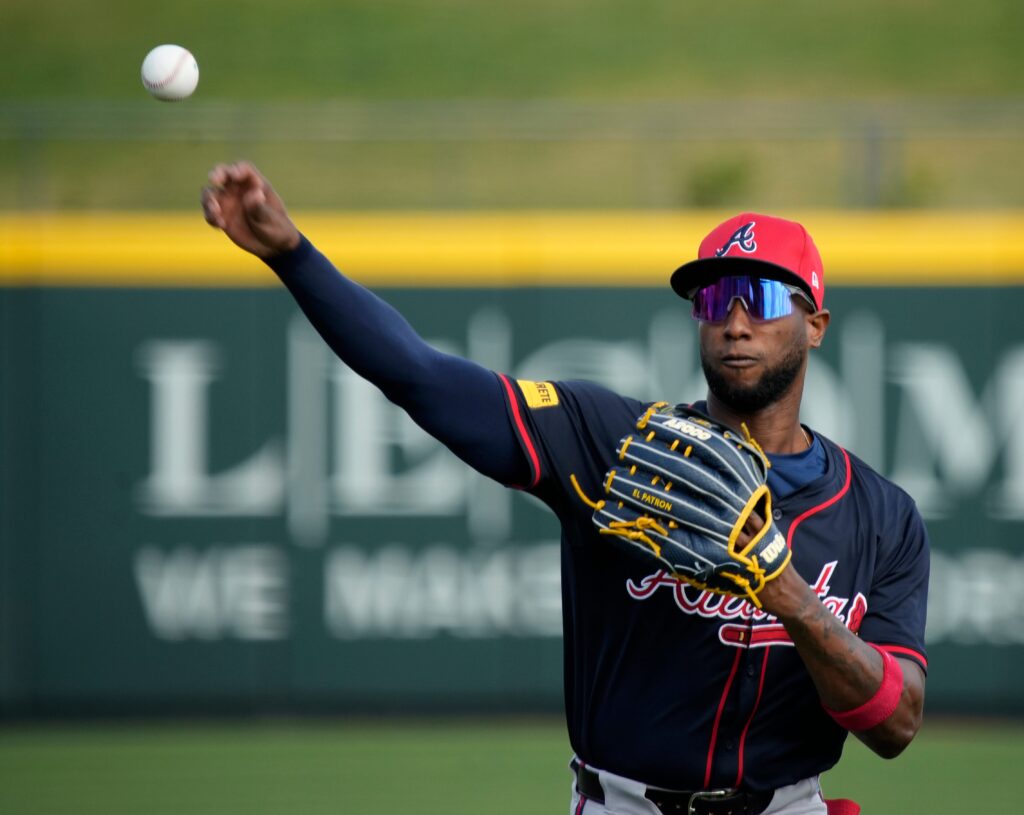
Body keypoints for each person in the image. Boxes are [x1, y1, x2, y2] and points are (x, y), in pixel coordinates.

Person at [202, 162, 928, 815]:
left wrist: (789, 596)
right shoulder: (618, 444)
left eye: (760, 295)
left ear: (816, 324)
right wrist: (292, 256)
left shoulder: (883, 517)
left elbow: (896, 726)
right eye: (712, 300)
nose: (734, 321)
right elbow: (421, 377)